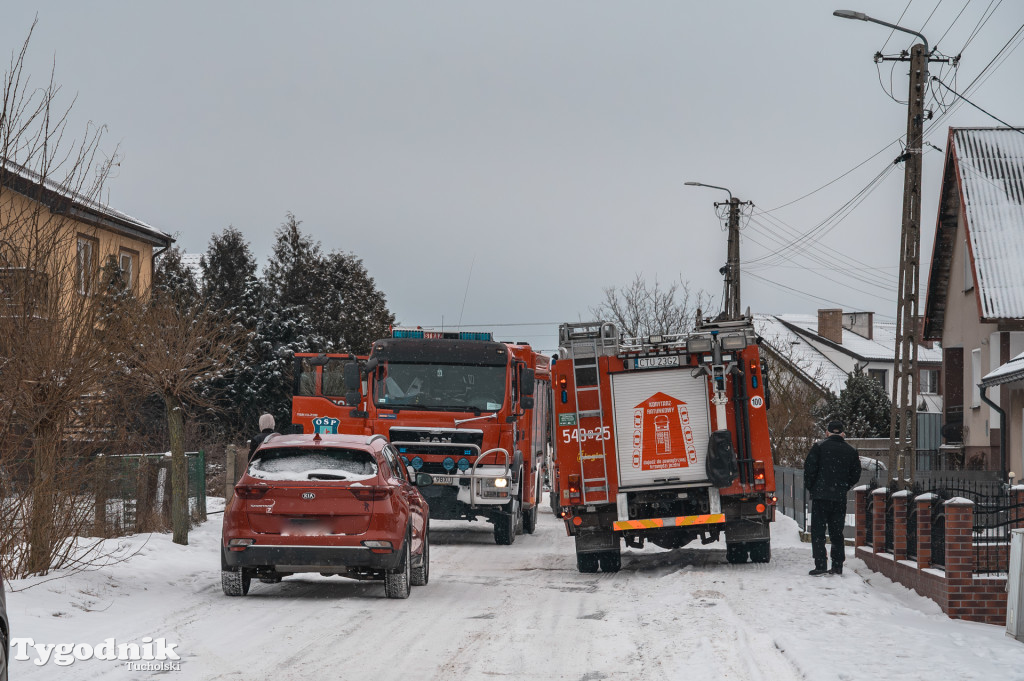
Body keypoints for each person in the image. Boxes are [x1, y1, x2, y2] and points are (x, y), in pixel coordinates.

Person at [804, 420, 862, 576]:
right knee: (837, 532)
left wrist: (814, 488)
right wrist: (843, 486)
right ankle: (837, 566)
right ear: (843, 433)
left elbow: (809, 470)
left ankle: (820, 565)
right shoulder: (851, 451)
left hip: (820, 497)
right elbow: (855, 474)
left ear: (827, 432)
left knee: (818, 532)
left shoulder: (819, 448)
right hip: (839, 498)